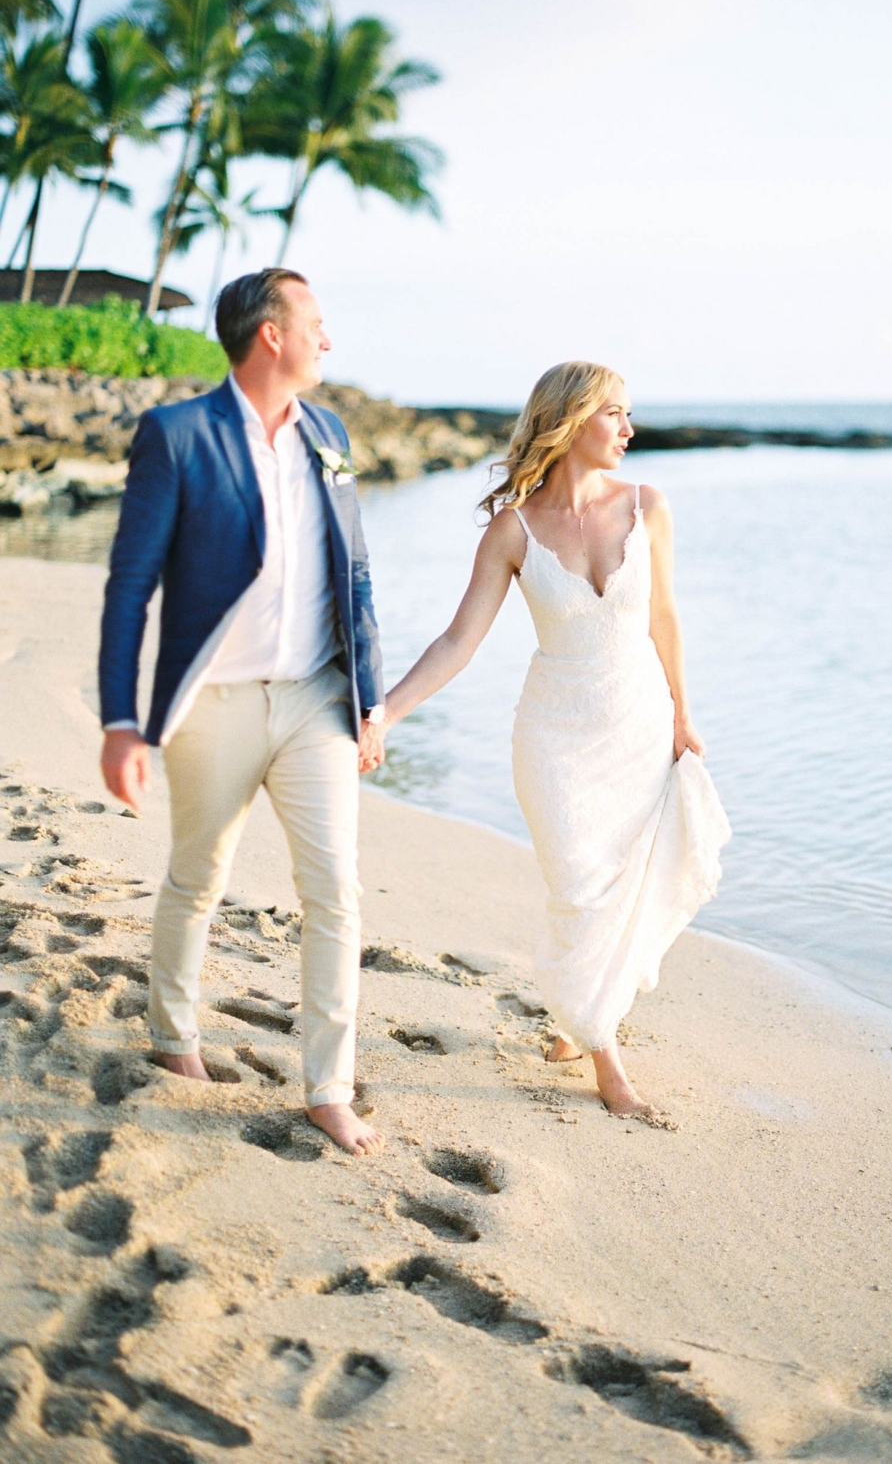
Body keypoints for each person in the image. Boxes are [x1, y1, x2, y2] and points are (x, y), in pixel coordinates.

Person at [379, 360, 730, 1122]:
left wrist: (682, 714)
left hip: (638, 721)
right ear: (571, 419)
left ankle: (583, 1018)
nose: (631, 430)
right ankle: (609, 1061)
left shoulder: (648, 505)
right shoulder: (515, 529)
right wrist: (386, 714)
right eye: (616, 414)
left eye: (630, 414)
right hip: (555, 737)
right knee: (579, 887)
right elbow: (456, 641)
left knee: (627, 882)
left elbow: (664, 617)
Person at [97, 268, 387, 1156]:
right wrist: (120, 722)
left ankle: (328, 1087)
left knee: (335, 889)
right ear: (273, 334)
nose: (327, 341)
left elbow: (357, 575)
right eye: (316, 324)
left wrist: (371, 700)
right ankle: (174, 1038)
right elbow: (131, 586)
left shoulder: (330, 434)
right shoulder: (178, 436)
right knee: (198, 874)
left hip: (316, 702)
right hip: (212, 702)